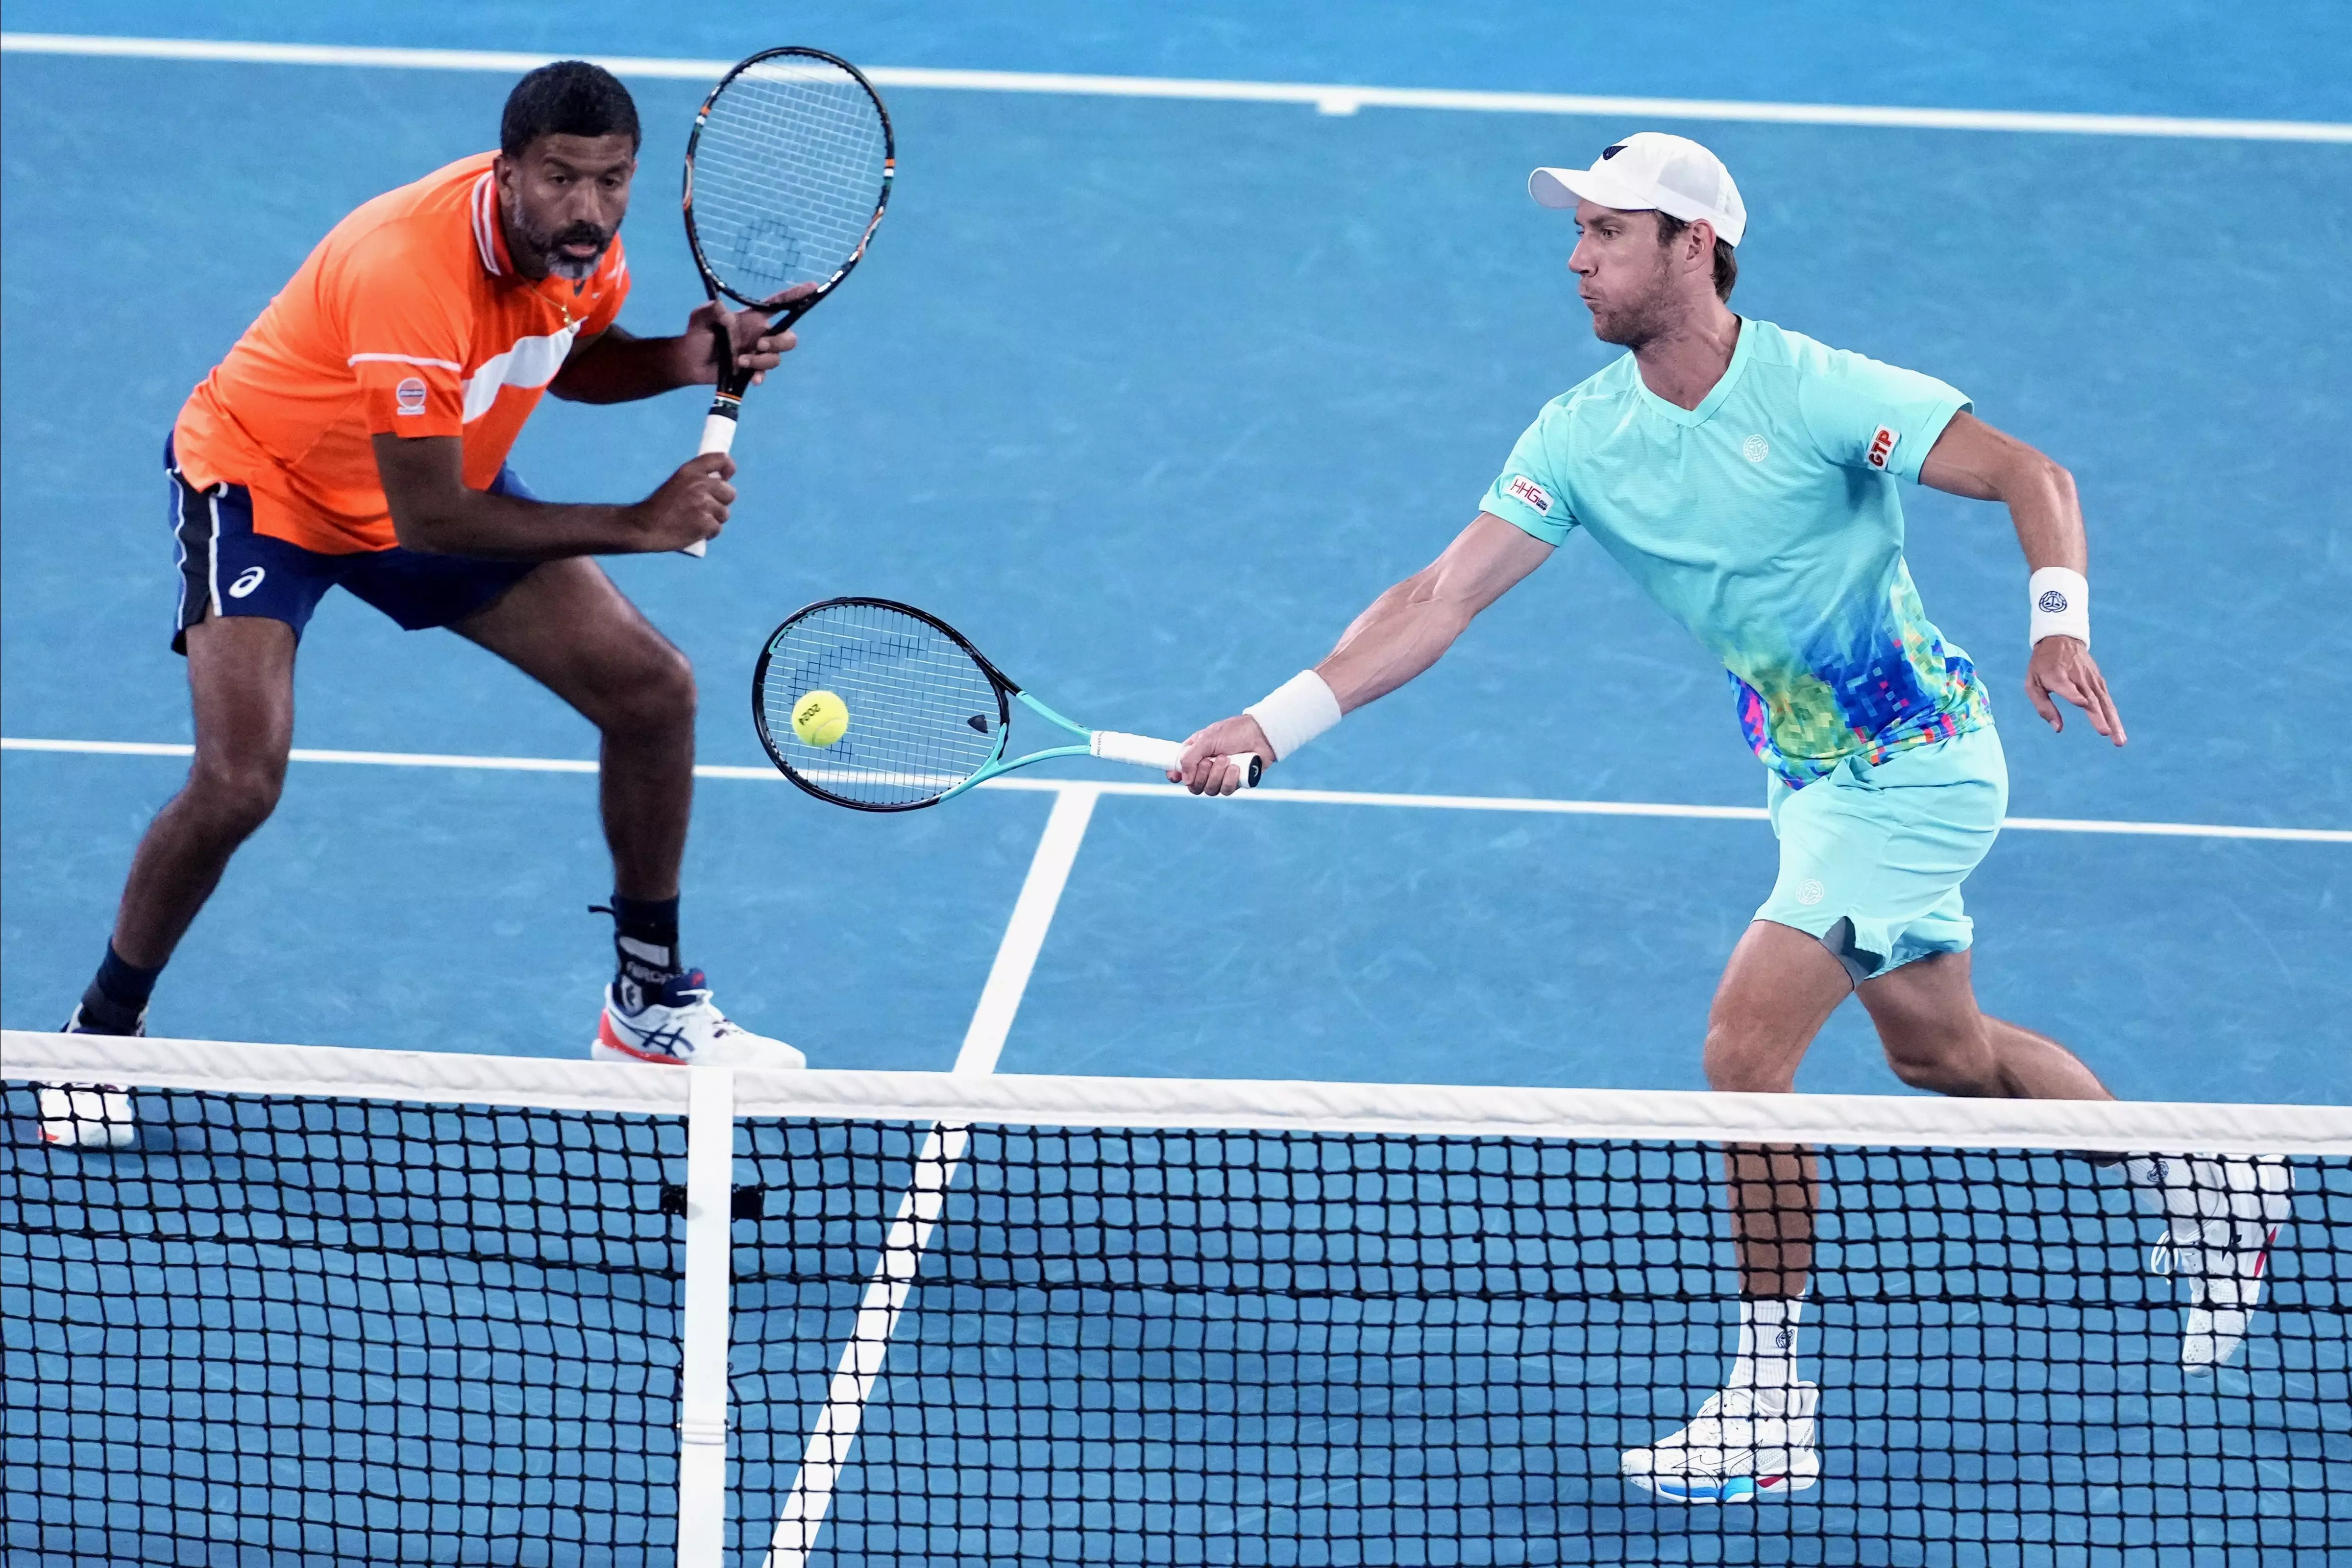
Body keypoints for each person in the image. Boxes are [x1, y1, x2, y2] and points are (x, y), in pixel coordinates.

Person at [1170, 133, 2291, 1503]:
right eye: (1577, 232)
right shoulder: (1581, 434)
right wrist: (1271, 722)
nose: (1577, 256)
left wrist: (2058, 628)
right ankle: (2209, 1174)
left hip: (1920, 768)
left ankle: (1771, 1398)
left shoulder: (1820, 391)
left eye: (1608, 232)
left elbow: (2031, 476)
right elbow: (1436, 598)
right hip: (1811, 783)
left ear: (1693, 245)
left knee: (1741, 1051)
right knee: (1947, 1059)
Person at [59, 61, 804, 1071]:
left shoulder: (582, 243)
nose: (588, 207)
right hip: (269, 484)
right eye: (560, 179)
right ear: (506, 172)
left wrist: (685, 357)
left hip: (429, 485)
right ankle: (99, 1034)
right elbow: (433, 516)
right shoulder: (408, 270)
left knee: (651, 690)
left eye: (612, 179)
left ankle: (646, 1002)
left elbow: (565, 358)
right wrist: (636, 522)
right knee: (240, 780)